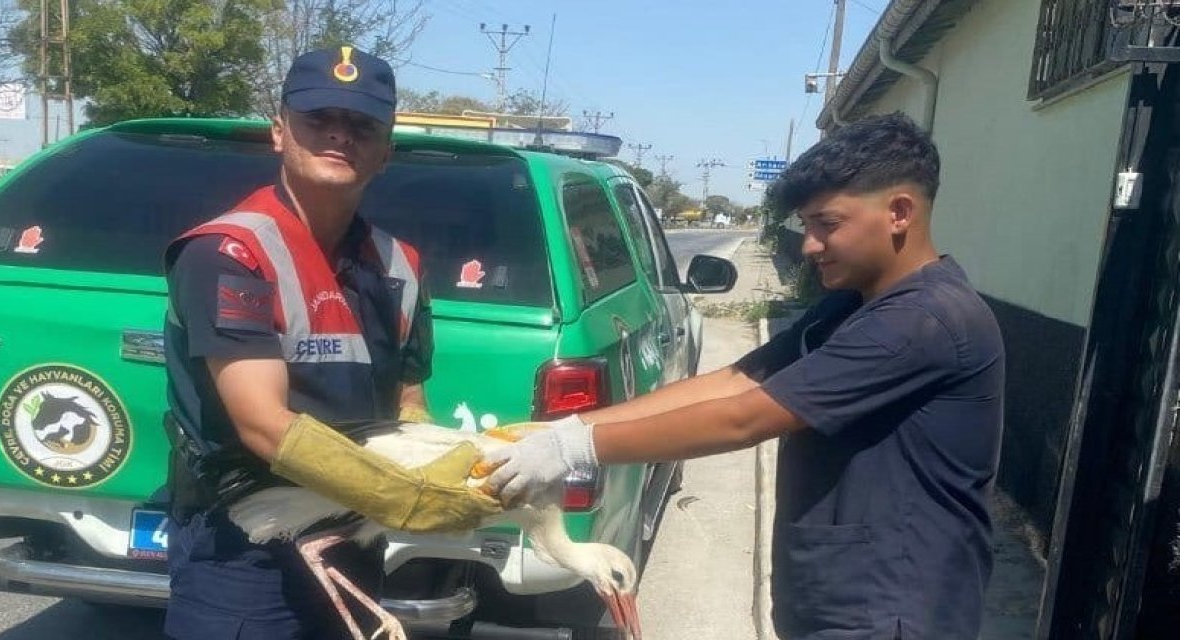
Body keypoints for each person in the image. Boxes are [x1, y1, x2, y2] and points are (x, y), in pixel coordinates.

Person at [485, 112, 1005, 639]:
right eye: (806, 226)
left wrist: (578, 450)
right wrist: (567, 430)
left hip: (893, 609)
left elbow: (745, 418)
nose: (809, 245)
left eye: (828, 224)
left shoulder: (923, 320)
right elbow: (741, 379)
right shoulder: (853, 305)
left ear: (898, 212)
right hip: (838, 598)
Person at [161, 46, 500, 639]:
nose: (340, 136)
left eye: (362, 126)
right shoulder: (231, 253)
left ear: (385, 150)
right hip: (246, 547)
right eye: (319, 119)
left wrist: (451, 472)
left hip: (349, 538)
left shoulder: (401, 265)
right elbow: (262, 424)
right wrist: (405, 497)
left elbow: (407, 404)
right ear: (279, 132)